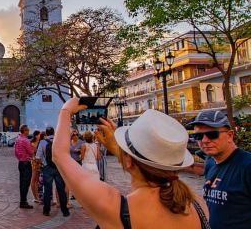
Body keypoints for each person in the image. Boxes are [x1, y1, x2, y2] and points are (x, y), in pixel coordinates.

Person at [54, 98, 209, 229]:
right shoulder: (198, 205)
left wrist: (66, 111)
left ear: (129, 161)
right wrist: (122, 150)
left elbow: (60, 155)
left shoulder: (118, 209)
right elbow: (150, 170)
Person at [187, 110, 251, 229]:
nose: (205, 140)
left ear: (230, 135)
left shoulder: (247, 166)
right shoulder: (211, 163)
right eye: (198, 136)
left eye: (212, 134)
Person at [36, 126, 70, 217]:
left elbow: (38, 157)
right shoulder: (59, 141)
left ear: (46, 133)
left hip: (47, 168)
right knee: (61, 190)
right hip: (58, 168)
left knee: (47, 190)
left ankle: (46, 210)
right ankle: (65, 211)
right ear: (54, 132)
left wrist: (42, 164)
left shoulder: (42, 142)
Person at [14, 124, 34, 209]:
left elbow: (15, 152)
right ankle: (23, 201)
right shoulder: (25, 140)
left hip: (21, 162)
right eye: (28, 130)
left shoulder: (18, 139)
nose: (28, 131)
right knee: (26, 183)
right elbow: (31, 152)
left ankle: (22, 200)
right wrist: (33, 148)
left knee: (22, 183)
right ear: (25, 131)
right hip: (26, 163)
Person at [30, 130, 42, 203]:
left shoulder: (40, 143)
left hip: (39, 162)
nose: (40, 136)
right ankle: (35, 197)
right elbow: (32, 154)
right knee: (34, 179)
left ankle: (37, 196)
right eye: (39, 134)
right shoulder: (32, 144)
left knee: (37, 180)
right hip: (34, 162)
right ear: (36, 136)